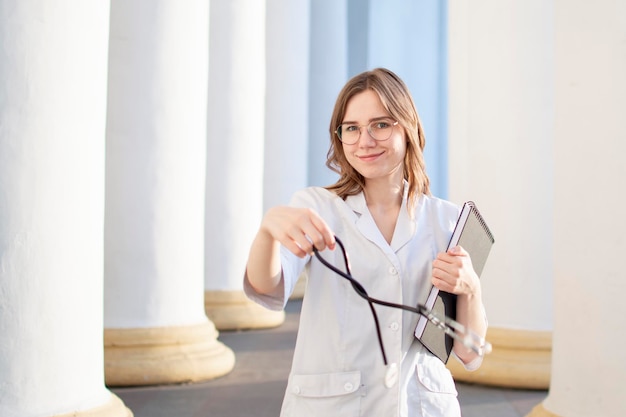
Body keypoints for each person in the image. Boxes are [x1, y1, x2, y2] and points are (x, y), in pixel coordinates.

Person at [243, 67, 487, 417]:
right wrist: (267, 233)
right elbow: (266, 287)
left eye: (381, 124)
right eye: (352, 129)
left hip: (419, 406)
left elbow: (470, 353)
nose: (365, 140)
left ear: (409, 128)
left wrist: (472, 289)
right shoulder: (315, 206)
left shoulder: (447, 221)